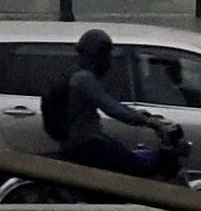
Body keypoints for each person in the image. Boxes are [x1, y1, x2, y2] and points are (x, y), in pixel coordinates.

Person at [36, 30, 175, 181]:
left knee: (131, 156)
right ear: (99, 56)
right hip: (87, 144)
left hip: (78, 143)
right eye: (107, 56)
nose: (109, 61)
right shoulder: (84, 79)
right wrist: (145, 121)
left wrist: (139, 114)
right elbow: (111, 107)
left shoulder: (75, 76)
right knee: (137, 164)